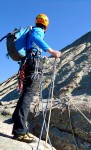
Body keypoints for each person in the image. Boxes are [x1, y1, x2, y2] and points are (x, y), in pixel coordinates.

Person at [12, 14, 61, 143]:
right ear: (46, 25)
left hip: (28, 62)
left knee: (25, 94)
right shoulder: (38, 30)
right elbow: (36, 37)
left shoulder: (32, 29)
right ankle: (20, 131)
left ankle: (16, 122)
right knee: (27, 96)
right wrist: (51, 51)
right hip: (34, 65)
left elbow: (32, 43)